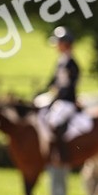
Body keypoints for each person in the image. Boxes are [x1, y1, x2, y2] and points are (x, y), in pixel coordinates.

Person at [40, 25, 81, 165]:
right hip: (58, 98)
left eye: (59, 43)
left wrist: (57, 95)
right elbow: (54, 80)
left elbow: (70, 85)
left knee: (54, 121)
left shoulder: (71, 63)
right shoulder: (61, 61)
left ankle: (60, 153)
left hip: (67, 100)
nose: (56, 46)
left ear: (65, 44)